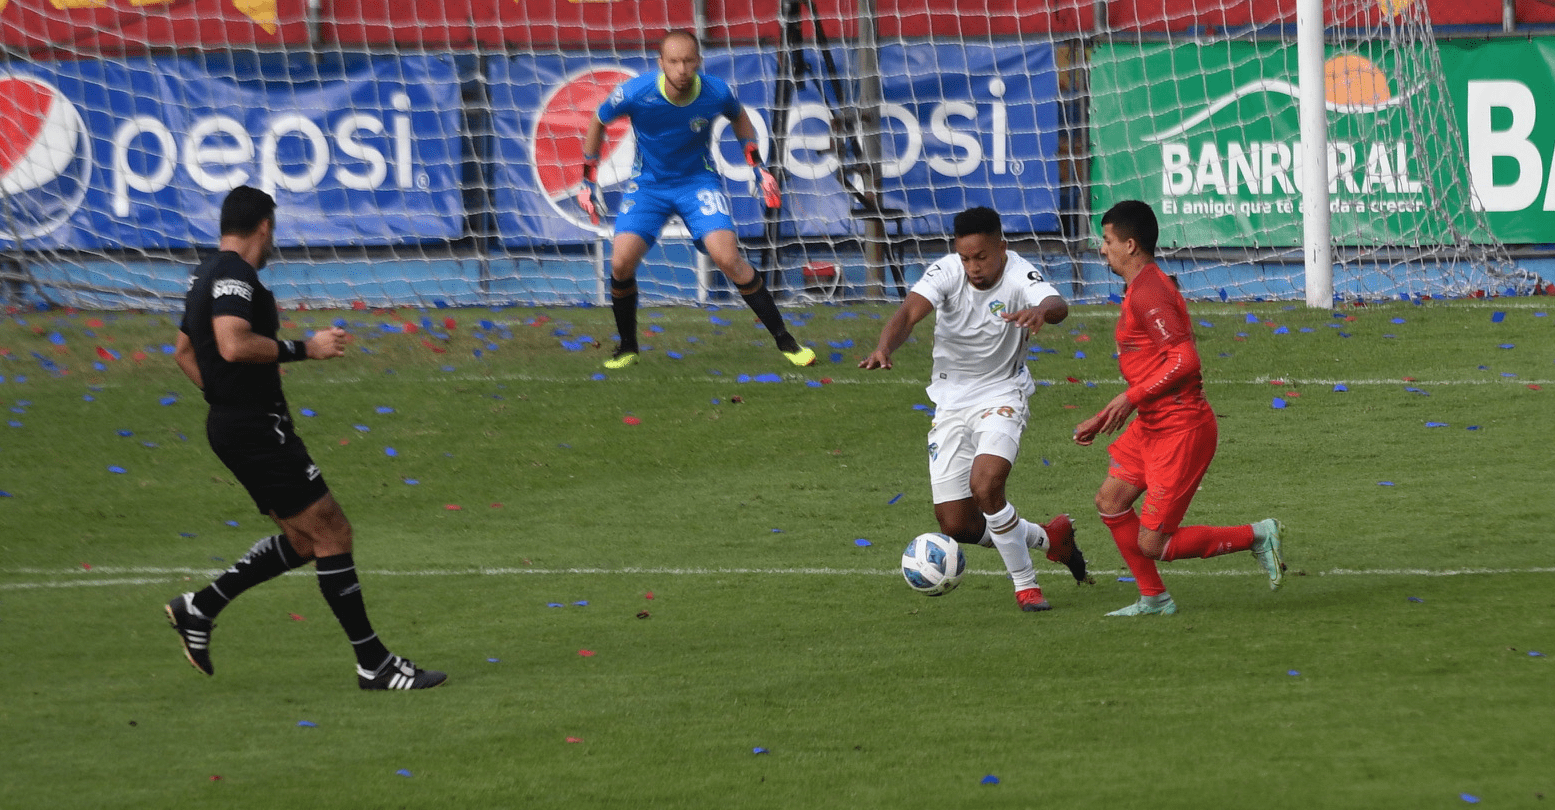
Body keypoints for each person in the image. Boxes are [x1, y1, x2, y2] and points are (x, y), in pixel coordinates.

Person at [165, 185, 445, 690]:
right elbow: (231, 344)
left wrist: (227, 400)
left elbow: (185, 353)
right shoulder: (233, 275)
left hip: (235, 424)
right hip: (253, 428)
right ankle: (373, 664)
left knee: (304, 539)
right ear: (265, 227)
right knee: (332, 533)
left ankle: (199, 608)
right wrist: (305, 349)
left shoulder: (202, 274)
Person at [860, 207, 1091, 612]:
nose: (973, 267)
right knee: (958, 524)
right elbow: (908, 313)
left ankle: (1026, 585)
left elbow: (1057, 304)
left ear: (1001, 247)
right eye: (966, 257)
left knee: (986, 486)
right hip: (950, 403)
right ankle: (1049, 538)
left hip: (1002, 395)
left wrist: (1041, 312)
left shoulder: (1020, 273)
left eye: (981, 257)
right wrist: (884, 346)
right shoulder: (947, 271)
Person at [1075, 200, 1286, 617]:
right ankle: (1154, 598)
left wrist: (1129, 398)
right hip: (1154, 423)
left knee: (1154, 544)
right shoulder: (1141, 286)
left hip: (1180, 429)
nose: (1103, 249)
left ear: (1131, 245)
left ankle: (1257, 535)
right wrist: (1109, 413)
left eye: (1108, 240)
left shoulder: (1150, 290)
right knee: (1111, 499)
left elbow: (1185, 359)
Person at [578, 30, 814, 370]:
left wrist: (758, 167)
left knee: (729, 260)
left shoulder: (715, 91)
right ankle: (628, 347)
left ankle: (786, 341)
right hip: (649, 187)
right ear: (661, 64)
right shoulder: (636, 92)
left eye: (689, 61)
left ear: (699, 61)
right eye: (674, 62)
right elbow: (598, 121)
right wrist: (587, 180)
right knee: (620, 264)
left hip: (697, 184)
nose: (682, 69)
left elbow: (739, 117)